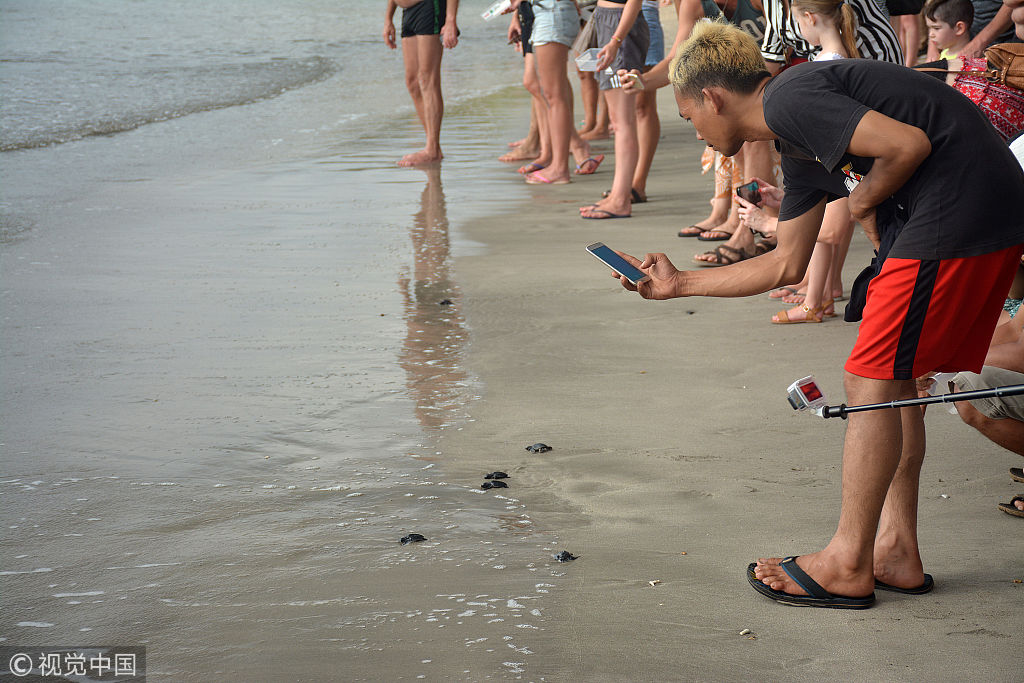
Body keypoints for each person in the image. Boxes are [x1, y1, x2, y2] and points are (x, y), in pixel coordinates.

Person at [612, 20, 1024, 608]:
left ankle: (847, 561)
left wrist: (859, 203)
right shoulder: (795, 136)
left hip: (959, 209)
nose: (698, 133)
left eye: (689, 118)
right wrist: (679, 283)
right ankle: (895, 551)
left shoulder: (791, 97)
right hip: (967, 208)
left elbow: (908, 146)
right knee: (892, 377)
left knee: (870, 377)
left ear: (712, 97)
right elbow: (785, 264)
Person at [579, 0, 649, 218]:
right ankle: (617, 194)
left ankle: (620, 199)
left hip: (620, 24)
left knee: (622, 122)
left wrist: (616, 40)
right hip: (607, 19)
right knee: (619, 121)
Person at [383, 0, 460, 167]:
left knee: (428, 78)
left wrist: (451, 20)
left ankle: (431, 149)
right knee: (412, 82)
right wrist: (389, 18)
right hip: (408, 11)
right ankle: (433, 147)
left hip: (429, 6)